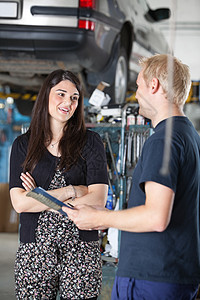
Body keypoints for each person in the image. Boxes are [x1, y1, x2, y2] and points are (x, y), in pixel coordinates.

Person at [64, 54, 200, 300]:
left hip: (150, 277)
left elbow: (156, 217)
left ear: (154, 85)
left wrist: (99, 217)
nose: (136, 95)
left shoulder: (163, 140)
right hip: (173, 273)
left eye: (137, 86)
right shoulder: (190, 136)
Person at [9, 69, 108, 299]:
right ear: (46, 96)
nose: (68, 103)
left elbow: (98, 199)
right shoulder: (23, 145)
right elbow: (20, 204)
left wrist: (39, 195)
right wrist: (72, 191)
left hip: (81, 250)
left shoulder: (91, 143)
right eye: (61, 94)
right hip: (35, 251)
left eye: (74, 98)